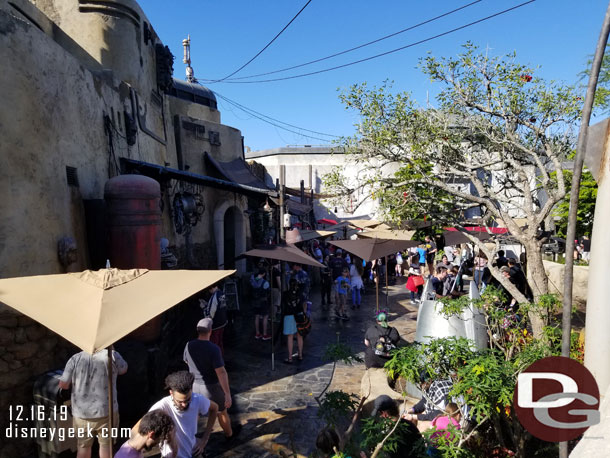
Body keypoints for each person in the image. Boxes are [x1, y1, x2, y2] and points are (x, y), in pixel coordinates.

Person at [58, 349, 128, 458]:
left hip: (81, 415)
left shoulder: (75, 359)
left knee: (83, 448)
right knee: (106, 447)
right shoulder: (112, 355)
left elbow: (63, 385)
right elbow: (123, 370)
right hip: (107, 411)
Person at [183, 318, 239, 442]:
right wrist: (227, 394)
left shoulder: (189, 345)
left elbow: (186, 361)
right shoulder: (214, 349)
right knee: (221, 412)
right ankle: (229, 435)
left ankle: (189, 437)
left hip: (195, 386)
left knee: (195, 413)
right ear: (210, 331)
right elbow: (221, 372)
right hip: (211, 387)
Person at [147, 371, 218, 458]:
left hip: (193, 452)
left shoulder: (197, 399)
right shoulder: (161, 406)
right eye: (180, 402)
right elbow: (141, 427)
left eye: (188, 400)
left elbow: (215, 408)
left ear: (191, 391)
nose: (184, 404)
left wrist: (204, 439)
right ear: (171, 393)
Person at [199, 284, 228, 355]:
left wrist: (204, 307)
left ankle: (215, 361)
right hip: (223, 322)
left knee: (214, 343)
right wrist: (208, 304)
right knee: (220, 341)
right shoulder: (222, 293)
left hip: (216, 324)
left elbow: (210, 315)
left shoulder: (214, 296)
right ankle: (221, 356)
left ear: (211, 288)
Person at [282, 279, 306, 363]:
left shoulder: (285, 294)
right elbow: (304, 305)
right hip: (299, 316)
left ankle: (290, 358)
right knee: (300, 336)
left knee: (290, 337)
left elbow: (283, 306)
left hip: (289, 316)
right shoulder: (301, 294)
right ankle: (300, 355)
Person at [250, 268, 270, 340]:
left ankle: (257, 333)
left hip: (255, 301)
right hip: (263, 301)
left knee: (257, 316)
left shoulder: (252, 280)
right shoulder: (265, 282)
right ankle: (264, 334)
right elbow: (268, 292)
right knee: (265, 316)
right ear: (264, 274)